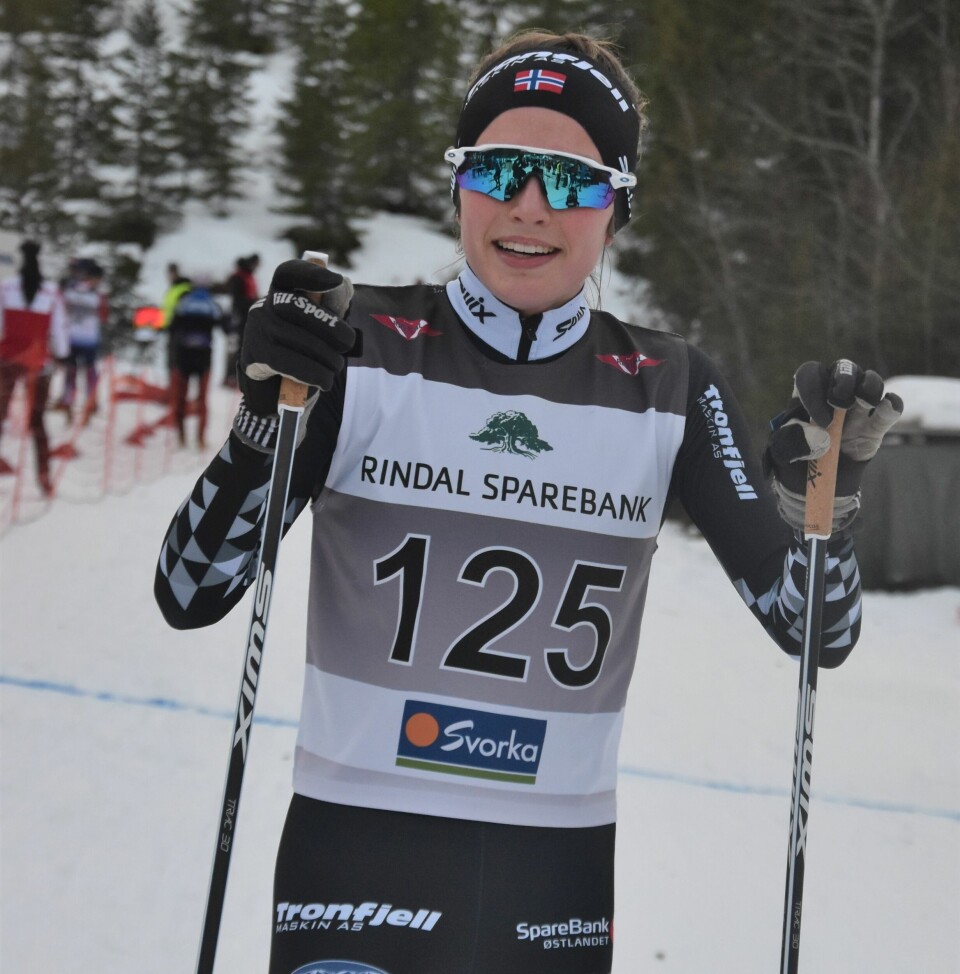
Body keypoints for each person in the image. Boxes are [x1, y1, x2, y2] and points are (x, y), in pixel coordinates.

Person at [154, 30, 903, 974]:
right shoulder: (356, 344)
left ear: (617, 207)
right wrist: (265, 419)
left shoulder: (669, 385)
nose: (531, 208)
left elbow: (813, 635)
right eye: (499, 170)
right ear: (458, 185)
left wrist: (822, 501)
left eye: (574, 182)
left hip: (554, 885)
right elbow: (191, 594)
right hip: (355, 855)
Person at [0, 240, 69, 494]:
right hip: (40, 364)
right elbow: (59, 331)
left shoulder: (6, 287)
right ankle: (44, 479)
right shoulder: (51, 292)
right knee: (38, 422)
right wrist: (61, 354)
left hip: (7, 361)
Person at [166, 277, 223, 449]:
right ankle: (200, 439)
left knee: (180, 398)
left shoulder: (183, 303)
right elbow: (225, 326)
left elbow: (172, 328)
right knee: (203, 399)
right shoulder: (212, 305)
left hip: (183, 356)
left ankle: (181, 436)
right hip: (204, 357)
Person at [57, 258, 108, 423]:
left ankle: (73, 404)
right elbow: (104, 316)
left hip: (76, 339)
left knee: (75, 373)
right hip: (85, 340)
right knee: (85, 373)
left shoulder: (71, 289)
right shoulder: (97, 295)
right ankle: (84, 404)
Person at [222, 253, 260, 388]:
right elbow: (238, 301)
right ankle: (230, 376)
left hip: (246, 318)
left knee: (242, 348)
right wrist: (253, 303)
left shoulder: (246, 276)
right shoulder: (239, 278)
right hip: (240, 318)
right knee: (238, 347)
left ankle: (235, 376)